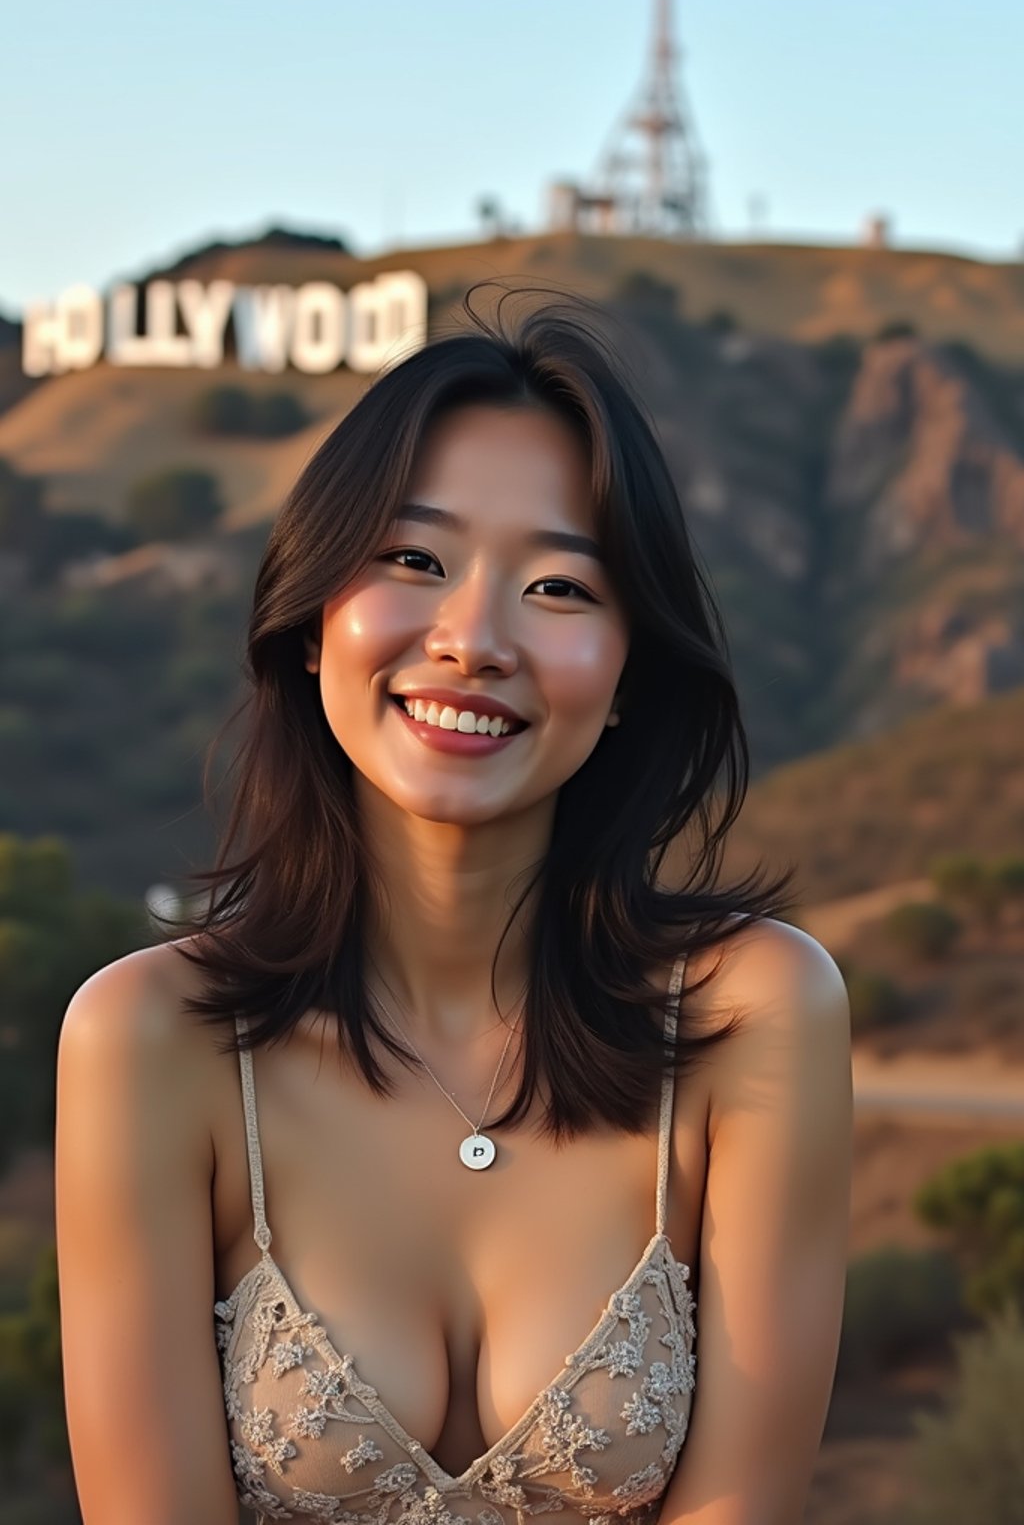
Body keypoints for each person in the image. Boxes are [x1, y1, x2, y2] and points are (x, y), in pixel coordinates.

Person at [55, 284, 853, 1525]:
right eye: (414, 561)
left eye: (560, 588)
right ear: (314, 623)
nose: (474, 639)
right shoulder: (153, 1039)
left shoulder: (753, 1012)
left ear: (630, 666)